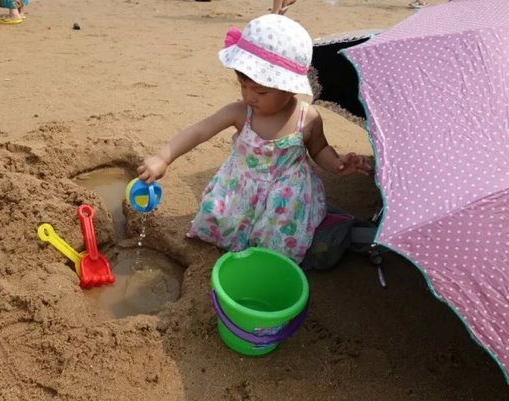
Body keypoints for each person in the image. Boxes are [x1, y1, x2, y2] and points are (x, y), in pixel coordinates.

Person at [137, 14, 372, 263]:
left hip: (285, 196)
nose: (250, 96)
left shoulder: (307, 118)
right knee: (222, 218)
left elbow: (320, 149)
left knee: (280, 238)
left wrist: (337, 164)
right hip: (239, 187)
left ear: (291, 86)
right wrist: (163, 157)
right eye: (243, 85)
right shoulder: (240, 112)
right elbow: (199, 131)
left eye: (260, 91)